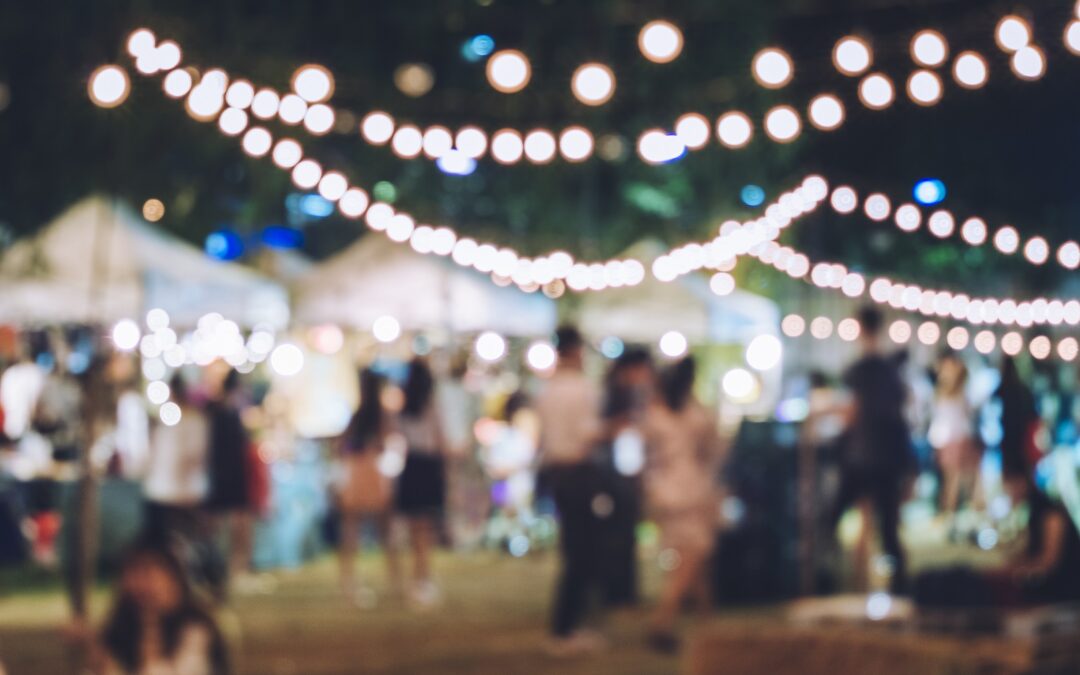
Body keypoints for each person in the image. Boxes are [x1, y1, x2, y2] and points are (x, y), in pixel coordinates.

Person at [915, 455, 1080, 608]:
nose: (1008, 491)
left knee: (978, 588)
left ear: (1023, 482)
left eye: (1009, 484)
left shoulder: (1051, 513)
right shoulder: (1032, 511)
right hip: (1046, 584)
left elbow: (1048, 563)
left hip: (1062, 589)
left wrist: (1012, 572)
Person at [534, 326, 607, 655]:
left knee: (573, 548)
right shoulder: (582, 389)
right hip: (578, 472)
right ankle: (566, 627)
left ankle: (570, 624)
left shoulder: (546, 390)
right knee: (582, 552)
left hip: (556, 473)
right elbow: (589, 434)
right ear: (577, 351)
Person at [641, 357, 721, 652]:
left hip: (664, 493)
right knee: (692, 560)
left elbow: (646, 457)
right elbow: (712, 451)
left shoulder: (654, 414)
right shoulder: (697, 415)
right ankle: (662, 622)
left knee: (694, 563)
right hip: (691, 492)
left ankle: (707, 627)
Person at [833, 306, 915, 594]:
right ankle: (895, 582)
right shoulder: (889, 369)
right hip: (887, 455)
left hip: (863, 455)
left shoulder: (862, 369)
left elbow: (851, 412)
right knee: (887, 525)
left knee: (837, 515)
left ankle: (840, 575)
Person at [89, 538, 229, 674]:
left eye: (148, 572)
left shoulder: (196, 629)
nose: (139, 583)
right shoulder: (121, 629)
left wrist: (150, 631)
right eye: (133, 572)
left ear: (175, 581)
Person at [336, 369, 399, 607]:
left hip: (356, 474)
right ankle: (395, 582)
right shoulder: (380, 415)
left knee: (351, 530)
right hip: (374, 473)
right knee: (385, 530)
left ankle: (348, 584)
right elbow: (387, 443)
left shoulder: (357, 416)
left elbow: (341, 445)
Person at [599, 347, 654, 608]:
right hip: (614, 471)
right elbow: (603, 429)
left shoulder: (635, 394)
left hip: (627, 468)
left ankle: (623, 590)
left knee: (626, 533)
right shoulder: (613, 394)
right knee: (618, 533)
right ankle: (617, 591)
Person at [394, 358, 449, 607]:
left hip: (411, 467)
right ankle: (422, 579)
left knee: (415, 529)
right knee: (425, 530)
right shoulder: (430, 407)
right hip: (427, 466)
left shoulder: (403, 408)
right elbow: (440, 441)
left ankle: (415, 579)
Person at [143, 375, 210, 558]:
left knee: (185, 540)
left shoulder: (192, 421)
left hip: (182, 492)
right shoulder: (170, 421)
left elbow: (194, 455)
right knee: (164, 543)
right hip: (163, 491)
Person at [205, 371, 254, 595]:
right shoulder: (222, 413)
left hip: (225, 475)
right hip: (225, 475)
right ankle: (224, 569)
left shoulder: (221, 412)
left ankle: (233, 569)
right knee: (229, 526)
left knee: (233, 525)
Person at [929, 353, 980, 517]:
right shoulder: (951, 393)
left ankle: (950, 509)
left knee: (955, 478)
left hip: (954, 438)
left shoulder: (954, 393)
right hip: (953, 438)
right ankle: (950, 509)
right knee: (953, 478)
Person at [995, 356, 1038, 476]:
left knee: (1012, 474)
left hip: (1009, 441)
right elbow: (1034, 416)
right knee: (1022, 474)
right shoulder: (1024, 390)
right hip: (1021, 441)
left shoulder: (1002, 389)